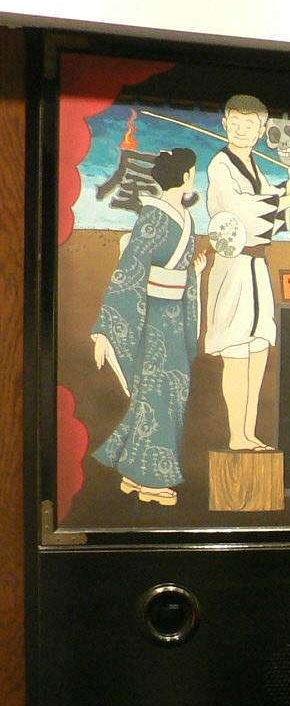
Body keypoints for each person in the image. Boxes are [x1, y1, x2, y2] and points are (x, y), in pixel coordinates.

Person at [90, 148, 208, 505]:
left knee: (165, 393)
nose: (193, 177)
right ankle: (152, 481)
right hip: (153, 317)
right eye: (193, 172)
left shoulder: (184, 217)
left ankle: (133, 474)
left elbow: (173, 268)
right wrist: (106, 328)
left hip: (172, 315)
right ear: (185, 176)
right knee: (162, 394)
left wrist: (194, 274)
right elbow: (130, 270)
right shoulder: (154, 217)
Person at [203, 93, 290, 451]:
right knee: (237, 350)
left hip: (256, 268)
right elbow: (237, 211)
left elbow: (268, 204)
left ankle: (249, 433)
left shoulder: (252, 165)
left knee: (257, 349)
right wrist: (283, 199)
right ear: (224, 124)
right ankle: (237, 435)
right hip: (234, 266)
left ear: (262, 130)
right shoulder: (220, 165)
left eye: (249, 124)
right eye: (235, 122)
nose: (241, 129)